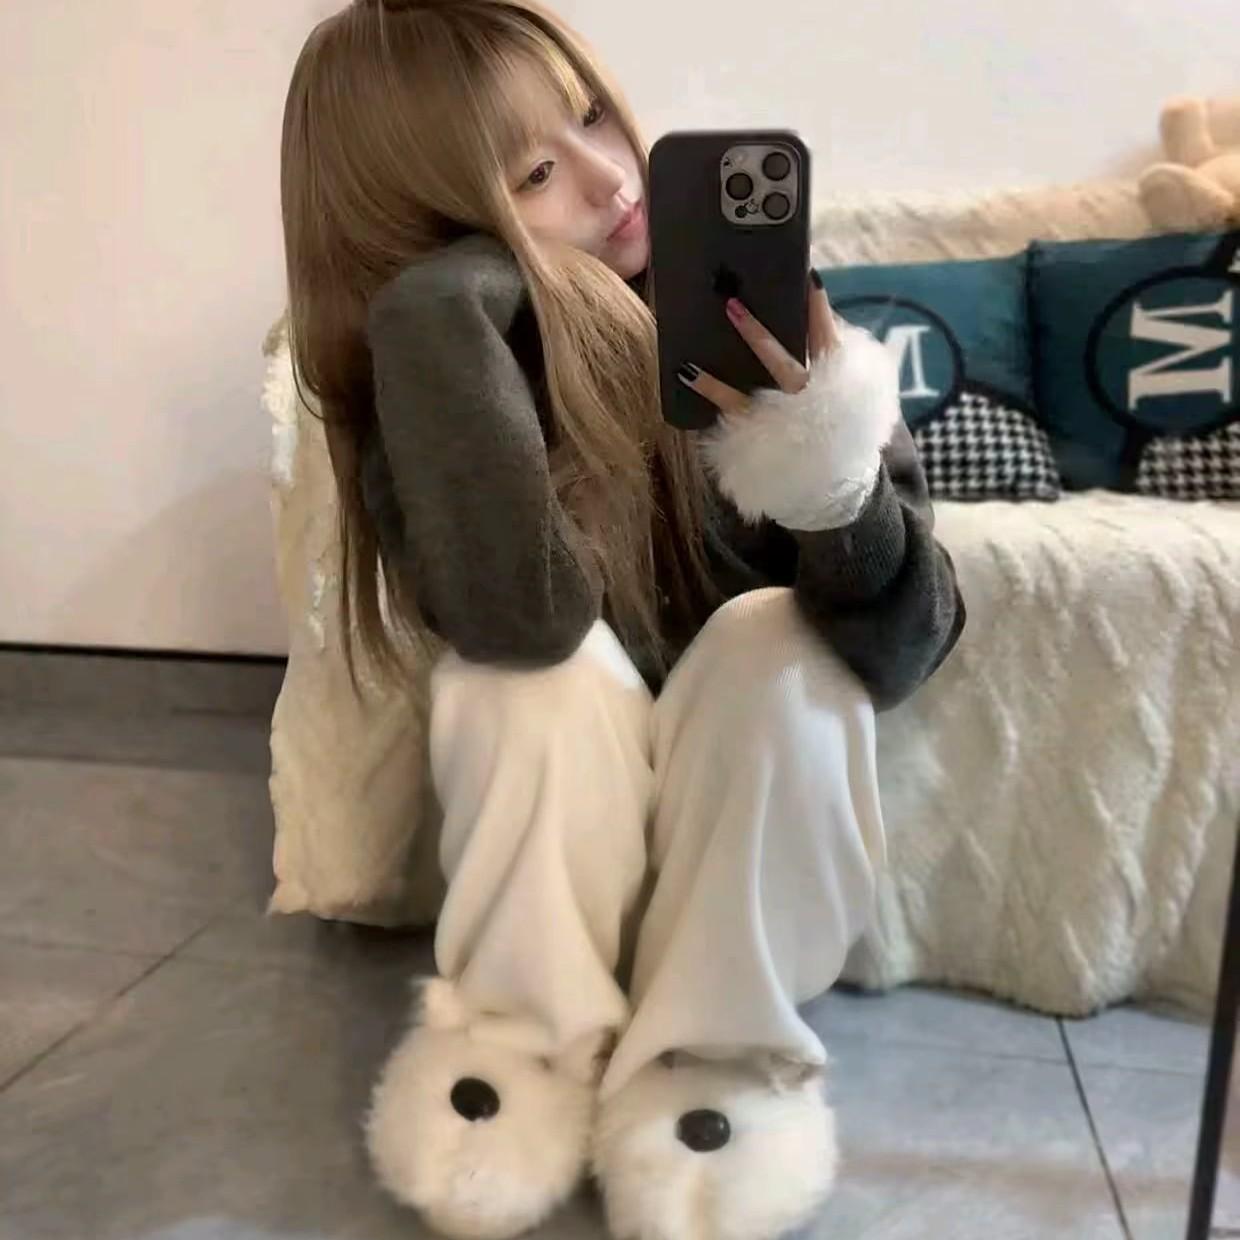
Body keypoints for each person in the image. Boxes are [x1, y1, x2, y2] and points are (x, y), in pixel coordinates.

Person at [279, 1, 965, 1237]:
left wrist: (826, 474)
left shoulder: (768, 321)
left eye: (591, 114)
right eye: (533, 173)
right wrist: (442, 318)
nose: (611, 178)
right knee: (511, 677)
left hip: (743, 877)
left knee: (772, 640)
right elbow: (521, 623)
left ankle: (719, 1062)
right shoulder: (437, 368)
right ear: (438, 229)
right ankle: (524, 1053)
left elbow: (904, 644)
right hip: (559, 881)